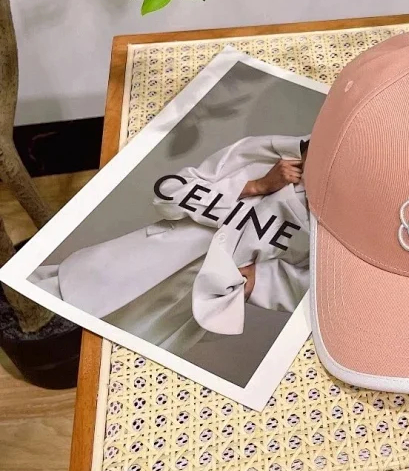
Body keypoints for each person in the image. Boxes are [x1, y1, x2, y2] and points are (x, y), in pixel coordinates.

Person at [31, 135, 311, 359]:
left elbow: (318, 287)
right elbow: (169, 193)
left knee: (108, 358)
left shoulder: (328, 218)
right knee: (48, 307)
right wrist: (255, 186)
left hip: (187, 300)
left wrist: (260, 281)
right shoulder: (261, 153)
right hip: (146, 258)